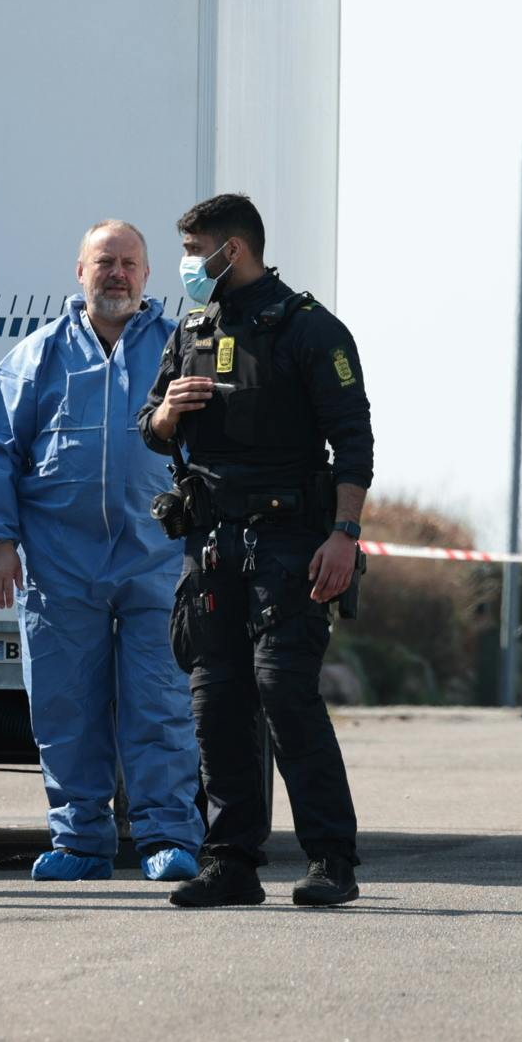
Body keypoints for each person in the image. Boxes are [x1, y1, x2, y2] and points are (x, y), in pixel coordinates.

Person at [140, 193, 374, 909]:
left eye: (194, 251)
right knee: (216, 700)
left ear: (232, 250)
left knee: (283, 691)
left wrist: (344, 536)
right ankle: (230, 863)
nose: (187, 265)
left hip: (291, 544)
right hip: (211, 546)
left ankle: (331, 858)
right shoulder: (193, 329)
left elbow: (354, 443)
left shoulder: (310, 329)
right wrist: (168, 413)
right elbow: (150, 427)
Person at [0, 221, 206, 884]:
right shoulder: (37, 356)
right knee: (66, 708)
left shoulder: (179, 349)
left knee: (162, 705)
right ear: (80, 272)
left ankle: (167, 836)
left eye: (129, 263)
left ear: (147, 276)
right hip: (59, 566)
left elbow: (215, 448)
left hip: (159, 562)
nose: (116, 274)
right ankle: (79, 842)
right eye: (105, 262)